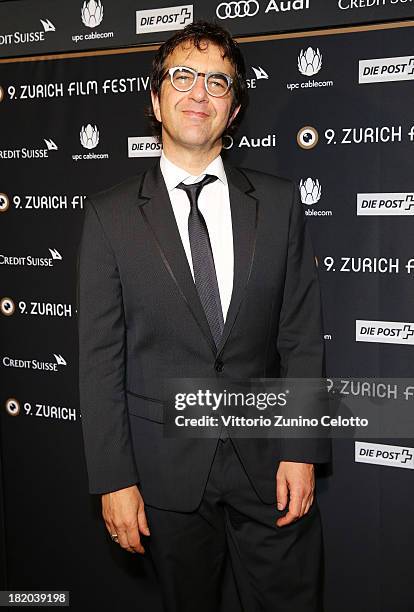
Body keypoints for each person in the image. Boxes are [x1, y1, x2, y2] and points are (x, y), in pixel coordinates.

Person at [77, 19, 331, 612]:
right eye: (184, 77)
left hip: (270, 462)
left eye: (218, 82)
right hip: (164, 473)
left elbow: (300, 333)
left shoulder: (279, 202)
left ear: (234, 107)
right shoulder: (108, 216)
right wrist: (114, 479)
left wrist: (301, 448)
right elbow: (99, 360)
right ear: (156, 98)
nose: (200, 93)